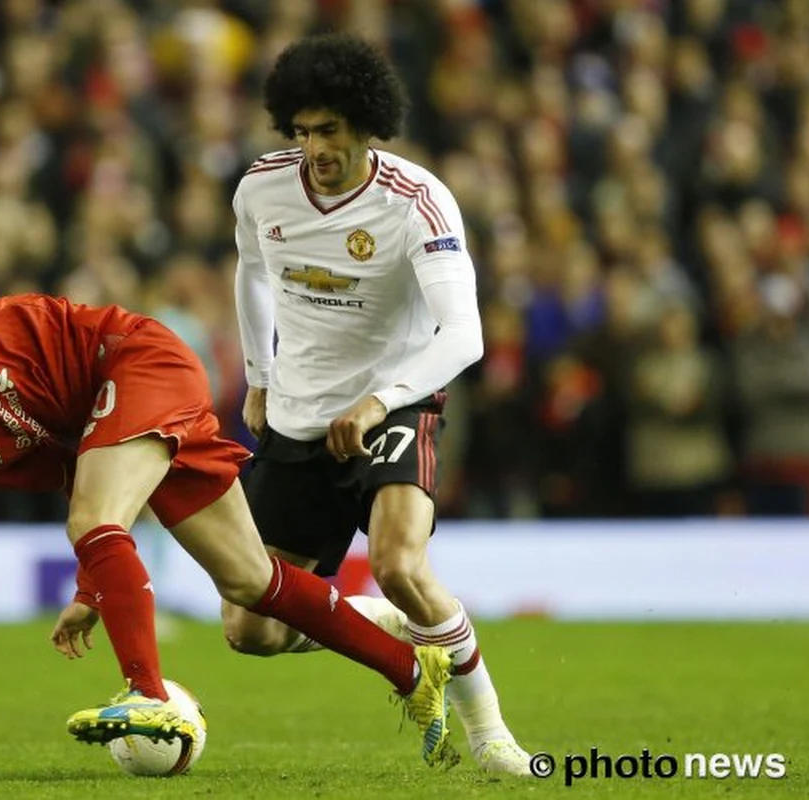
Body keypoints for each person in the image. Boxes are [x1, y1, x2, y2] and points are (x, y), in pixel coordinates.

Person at [0, 290, 454, 755]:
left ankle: (147, 691)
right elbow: (76, 480)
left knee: (97, 521)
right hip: (118, 415)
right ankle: (409, 671)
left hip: (135, 361)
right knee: (252, 584)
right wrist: (91, 590)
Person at [224, 33, 532, 775]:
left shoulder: (416, 202)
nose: (314, 148)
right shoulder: (261, 187)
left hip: (393, 403)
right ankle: (388, 626)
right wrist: (259, 376)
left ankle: (492, 739)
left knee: (398, 562)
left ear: (366, 124)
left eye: (328, 129)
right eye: (301, 131)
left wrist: (378, 401)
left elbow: (465, 335)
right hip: (298, 415)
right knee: (249, 630)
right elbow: (251, 273)